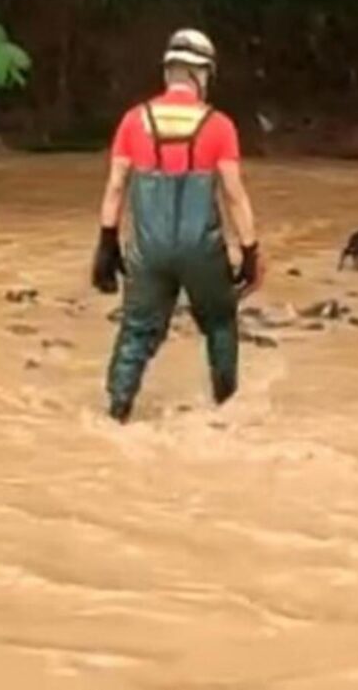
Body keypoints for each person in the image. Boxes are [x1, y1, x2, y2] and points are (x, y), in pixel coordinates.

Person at [90, 29, 264, 423]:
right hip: (201, 248)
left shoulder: (134, 122)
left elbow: (116, 186)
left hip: (148, 248)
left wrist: (107, 245)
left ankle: (116, 413)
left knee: (136, 332)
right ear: (202, 75)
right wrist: (250, 252)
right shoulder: (219, 126)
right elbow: (234, 195)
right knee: (220, 321)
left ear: (168, 72)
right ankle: (226, 410)